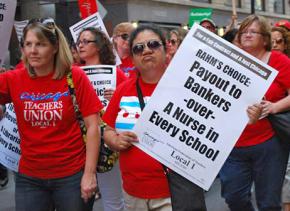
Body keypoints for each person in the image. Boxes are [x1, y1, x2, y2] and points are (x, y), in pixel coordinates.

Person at [0, 18, 103, 211]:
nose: (33, 51)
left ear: (55, 47)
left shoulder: (75, 77)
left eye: (40, 44)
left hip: (71, 177)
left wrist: (89, 175)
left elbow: (93, 127)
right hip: (29, 178)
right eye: (28, 44)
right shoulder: (13, 79)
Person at [219, 15, 290, 211]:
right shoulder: (231, 61)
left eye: (253, 31)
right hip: (234, 145)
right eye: (243, 32)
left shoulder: (278, 60)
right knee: (234, 197)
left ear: (265, 39)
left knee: (268, 203)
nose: (247, 35)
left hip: (270, 144)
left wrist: (274, 107)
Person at [103, 25, 173, 211]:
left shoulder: (183, 88)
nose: (147, 50)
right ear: (132, 57)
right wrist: (116, 141)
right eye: (138, 48)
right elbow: (108, 130)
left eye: (153, 44)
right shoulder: (123, 90)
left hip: (173, 191)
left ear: (166, 50)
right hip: (133, 192)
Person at [77, 26, 126, 211]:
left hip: (108, 144)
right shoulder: (73, 73)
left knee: (112, 200)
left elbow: (130, 107)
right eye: (79, 42)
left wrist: (117, 99)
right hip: (79, 143)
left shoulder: (116, 74)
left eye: (86, 41)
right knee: (78, 200)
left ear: (98, 46)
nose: (80, 45)